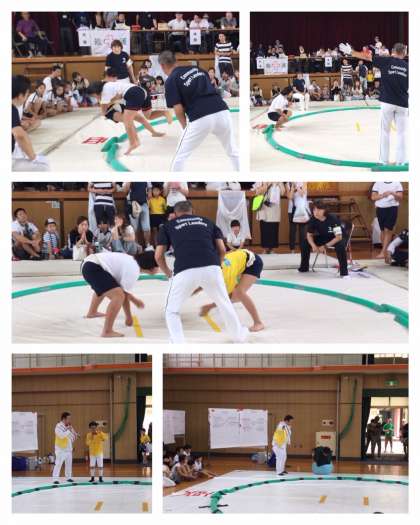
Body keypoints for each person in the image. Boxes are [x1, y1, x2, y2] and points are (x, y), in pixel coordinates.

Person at [154, 200, 248, 344]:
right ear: (193, 211)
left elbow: (158, 256)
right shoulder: (208, 222)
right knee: (224, 303)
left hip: (184, 270)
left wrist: (168, 272)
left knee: (172, 310)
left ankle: (178, 343)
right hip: (212, 267)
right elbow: (222, 250)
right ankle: (238, 337)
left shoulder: (168, 226)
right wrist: (217, 266)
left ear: (175, 214)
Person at [158, 50, 239, 171]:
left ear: (162, 66)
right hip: (222, 111)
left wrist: (185, 127)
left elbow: (178, 108)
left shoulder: (171, 80)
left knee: (180, 157)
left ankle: (175, 182)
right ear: (176, 61)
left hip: (200, 116)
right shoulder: (197, 69)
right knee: (232, 151)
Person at [339, 42, 408, 165]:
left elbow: (366, 57)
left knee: (385, 132)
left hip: (387, 102)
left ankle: (383, 161)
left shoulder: (387, 61)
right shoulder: (408, 67)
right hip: (402, 103)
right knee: (401, 133)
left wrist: (351, 52)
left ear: (393, 51)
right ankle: (401, 162)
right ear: (404, 53)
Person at [88, 69, 167, 155]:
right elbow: (104, 111)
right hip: (111, 110)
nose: (115, 79)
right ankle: (135, 141)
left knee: (139, 119)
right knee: (128, 121)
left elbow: (117, 96)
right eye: (114, 77)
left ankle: (150, 134)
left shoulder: (107, 85)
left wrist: (115, 99)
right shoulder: (103, 91)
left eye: (116, 77)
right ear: (107, 77)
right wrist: (114, 100)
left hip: (122, 103)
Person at [81, 250, 158, 337]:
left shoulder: (131, 260)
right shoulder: (133, 270)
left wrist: (135, 301)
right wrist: (129, 316)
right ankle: (107, 331)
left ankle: (92, 312)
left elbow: (120, 289)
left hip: (89, 263)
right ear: (152, 267)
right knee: (118, 295)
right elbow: (124, 295)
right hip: (92, 267)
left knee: (107, 287)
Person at [198, 248, 265, 332]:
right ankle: (209, 307)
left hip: (253, 262)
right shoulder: (211, 269)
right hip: (239, 258)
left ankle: (258, 322)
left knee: (239, 293)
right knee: (234, 295)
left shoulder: (225, 276)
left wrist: (210, 306)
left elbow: (227, 298)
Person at [299, 200, 349, 277]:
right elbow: (309, 235)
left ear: (325, 210)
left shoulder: (332, 218)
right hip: (325, 237)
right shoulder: (313, 219)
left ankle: (344, 272)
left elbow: (338, 237)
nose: (316, 212)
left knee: (340, 246)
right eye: (314, 210)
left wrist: (325, 246)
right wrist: (313, 245)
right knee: (305, 242)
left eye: (319, 210)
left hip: (338, 238)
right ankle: (304, 267)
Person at [12, 75, 49, 172]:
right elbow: (20, 135)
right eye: (26, 95)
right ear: (20, 95)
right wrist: (33, 157)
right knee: (43, 166)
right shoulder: (12, 109)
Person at [371, 182, 403, 258]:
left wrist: (393, 193)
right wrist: (383, 195)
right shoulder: (377, 183)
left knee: (388, 230)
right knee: (382, 231)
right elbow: (373, 197)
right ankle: (385, 251)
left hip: (392, 208)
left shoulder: (397, 183)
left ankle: (383, 252)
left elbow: (400, 198)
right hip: (380, 209)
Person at [254, 182, 284, 254]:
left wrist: (279, 184)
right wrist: (267, 184)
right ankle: (265, 248)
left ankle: (272, 249)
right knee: (265, 228)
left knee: (274, 229)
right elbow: (257, 192)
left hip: (275, 209)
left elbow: (283, 193)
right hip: (264, 208)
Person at [122, 182, 153, 250]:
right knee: (134, 227)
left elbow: (149, 187)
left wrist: (149, 194)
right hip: (132, 204)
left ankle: (147, 245)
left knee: (147, 227)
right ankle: (136, 246)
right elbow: (125, 191)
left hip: (144, 204)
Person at [52, 412, 79, 484]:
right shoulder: (58, 426)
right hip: (61, 449)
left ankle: (68, 477)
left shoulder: (69, 426)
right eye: (68, 418)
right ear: (64, 419)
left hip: (68, 449)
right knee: (58, 464)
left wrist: (75, 435)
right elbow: (61, 435)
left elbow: (72, 436)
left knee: (69, 464)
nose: (70, 420)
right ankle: (55, 479)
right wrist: (68, 430)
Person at [286, 182, 310, 253]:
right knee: (292, 231)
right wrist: (292, 187)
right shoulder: (288, 183)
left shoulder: (304, 182)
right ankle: (292, 249)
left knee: (303, 232)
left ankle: (302, 249)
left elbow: (302, 194)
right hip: (292, 209)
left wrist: (296, 186)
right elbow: (290, 197)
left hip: (302, 209)